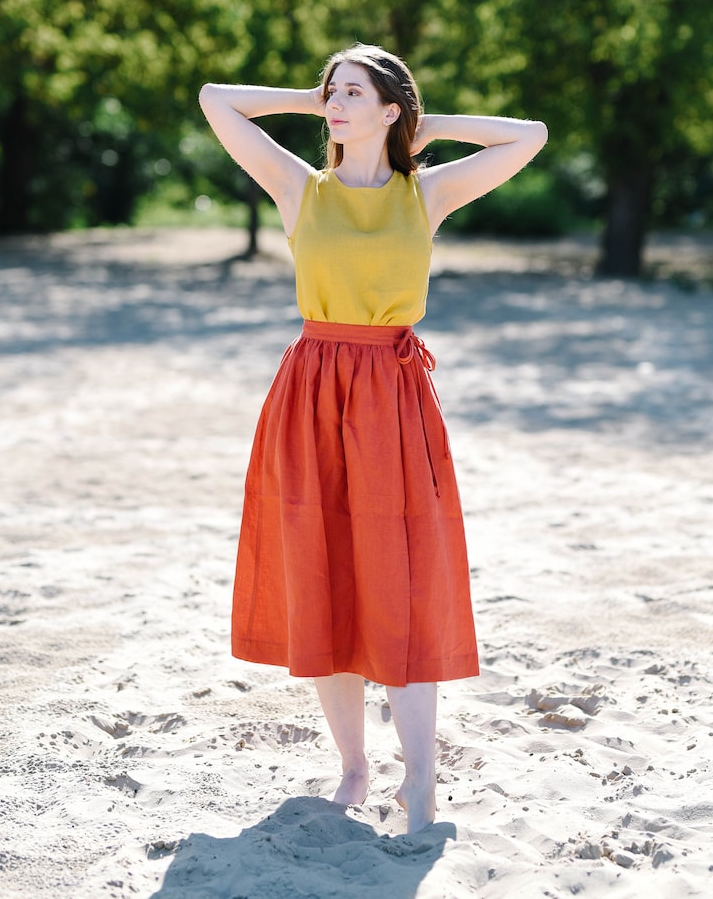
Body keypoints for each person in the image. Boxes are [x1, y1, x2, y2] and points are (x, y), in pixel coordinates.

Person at [198, 44, 547, 833]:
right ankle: (355, 765)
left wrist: (425, 126)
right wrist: (313, 96)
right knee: (326, 580)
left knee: (404, 582)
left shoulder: (425, 194)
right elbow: (216, 98)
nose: (336, 103)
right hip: (311, 393)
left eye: (354, 93)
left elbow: (530, 136)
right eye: (333, 92)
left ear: (392, 111)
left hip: (392, 397)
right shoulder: (299, 186)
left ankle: (419, 779)